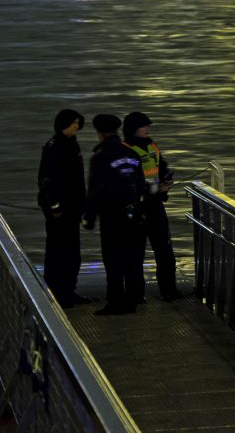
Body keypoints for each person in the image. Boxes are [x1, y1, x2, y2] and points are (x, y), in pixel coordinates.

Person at [84, 114, 147, 316]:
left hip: (111, 215)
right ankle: (135, 298)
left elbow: (96, 189)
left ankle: (116, 302)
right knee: (132, 258)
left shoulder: (101, 157)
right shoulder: (132, 154)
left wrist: (90, 217)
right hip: (134, 213)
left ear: (99, 133)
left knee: (113, 260)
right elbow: (140, 184)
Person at [123, 111, 180, 301]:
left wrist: (165, 179)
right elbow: (130, 183)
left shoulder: (151, 146)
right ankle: (136, 294)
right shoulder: (126, 150)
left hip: (155, 205)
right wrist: (156, 188)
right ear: (133, 129)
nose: (147, 129)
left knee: (164, 250)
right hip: (137, 208)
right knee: (135, 253)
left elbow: (160, 167)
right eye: (143, 126)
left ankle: (169, 290)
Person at [37, 109, 88, 308]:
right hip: (60, 212)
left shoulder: (70, 144)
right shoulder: (55, 147)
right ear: (64, 124)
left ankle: (68, 291)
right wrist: (54, 206)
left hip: (72, 209)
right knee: (58, 251)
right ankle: (56, 292)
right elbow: (46, 179)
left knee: (72, 252)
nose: (77, 126)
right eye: (74, 123)